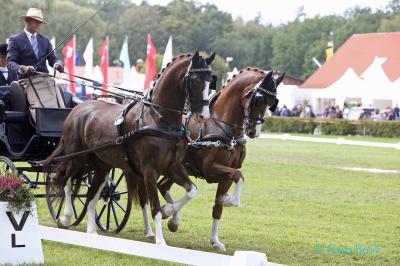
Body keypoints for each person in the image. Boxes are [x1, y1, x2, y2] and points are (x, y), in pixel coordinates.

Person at [7, 8, 63, 79]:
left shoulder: (45, 40)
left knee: (60, 90)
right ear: (27, 20)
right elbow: (10, 63)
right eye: (36, 21)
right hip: (25, 81)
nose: (38, 24)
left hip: (45, 80)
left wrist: (58, 63)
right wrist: (23, 68)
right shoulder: (15, 40)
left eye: (40, 22)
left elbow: (53, 59)